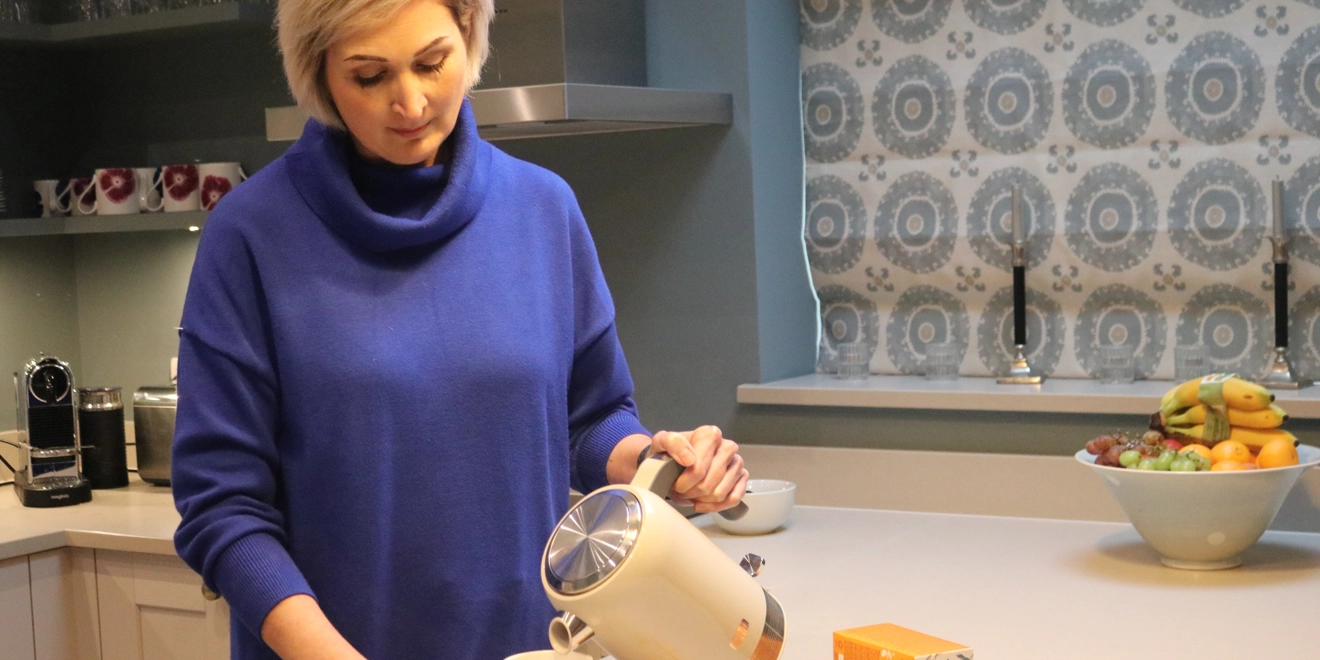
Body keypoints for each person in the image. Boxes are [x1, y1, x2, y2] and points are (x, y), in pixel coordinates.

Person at [170, 0, 749, 658]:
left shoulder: (543, 209)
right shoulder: (250, 235)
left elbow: (589, 420)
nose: (410, 102)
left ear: (468, 41)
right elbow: (222, 508)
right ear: (318, 75)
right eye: (369, 76)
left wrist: (659, 464)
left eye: (431, 62)